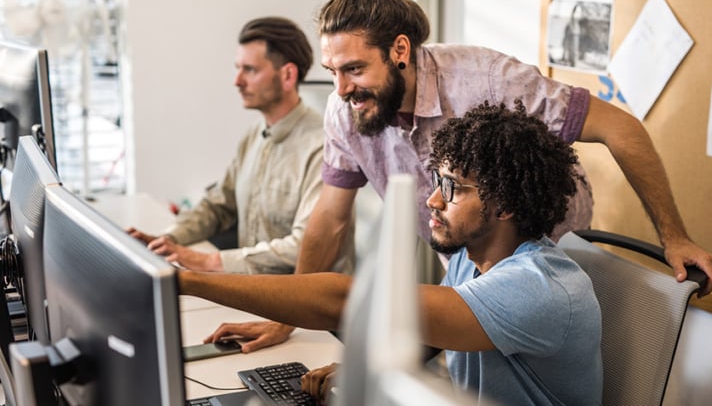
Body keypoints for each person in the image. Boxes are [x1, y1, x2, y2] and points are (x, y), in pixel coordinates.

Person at [209, 0, 712, 349]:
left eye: (355, 69)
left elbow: (621, 129)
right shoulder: (348, 111)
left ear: (400, 51)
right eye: (332, 72)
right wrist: (286, 318)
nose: (341, 89)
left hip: (546, 262)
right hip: (464, 261)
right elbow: (330, 217)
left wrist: (673, 236)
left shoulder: (489, 81)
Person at [182, 101, 603, 405]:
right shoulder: (471, 255)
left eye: (452, 187)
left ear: (506, 203)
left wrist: (188, 282)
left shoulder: (536, 288)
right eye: (437, 180)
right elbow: (432, 334)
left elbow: (347, 300)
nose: (433, 200)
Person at [128, 17, 355, 349]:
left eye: (249, 70)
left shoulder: (322, 144)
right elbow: (221, 202)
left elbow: (300, 244)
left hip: (310, 321)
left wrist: (207, 262)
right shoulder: (256, 133)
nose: (237, 80)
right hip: (256, 299)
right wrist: (167, 241)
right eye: (238, 68)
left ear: (288, 75)